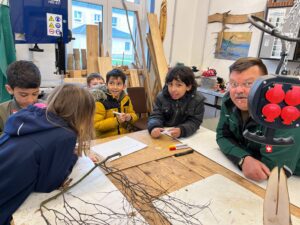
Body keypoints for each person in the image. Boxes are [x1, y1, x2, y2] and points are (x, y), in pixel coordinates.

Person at [0, 84, 95, 225]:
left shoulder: (28, 113)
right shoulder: (65, 135)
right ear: (83, 114)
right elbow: (48, 185)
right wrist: (72, 156)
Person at [216, 57, 300, 182]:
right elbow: (222, 136)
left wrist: (237, 152)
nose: (238, 90)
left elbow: (273, 169)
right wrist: (243, 158)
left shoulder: (285, 115)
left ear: (264, 86)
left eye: (248, 84)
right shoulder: (229, 101)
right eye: (234, 84)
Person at [148, 66, 205, 138]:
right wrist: (154, 127)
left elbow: (194, 122)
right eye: (170, 84)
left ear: (188, 87)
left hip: (185, 138)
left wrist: (182, 130)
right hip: (164, 135)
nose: (173, 89)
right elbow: (156, 116)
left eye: (178, 85)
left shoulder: (198, 100)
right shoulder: (161, 97)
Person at [0, 60, 43, 134]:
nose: (30, 100)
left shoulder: (48, 108)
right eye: (24, 95)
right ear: (9, 89)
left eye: (35, 94)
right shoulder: (2, 112)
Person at [93, 69, 138, 138]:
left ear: (124, 86)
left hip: (124, 136)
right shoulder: (100, 101)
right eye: (111, 83)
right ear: (106, 85)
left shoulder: (126, 99)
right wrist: (116, 120)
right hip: (105, 139)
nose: (115, 87)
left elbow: (134, 115)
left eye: (119, 84)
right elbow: (97, 125)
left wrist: (130, 117)